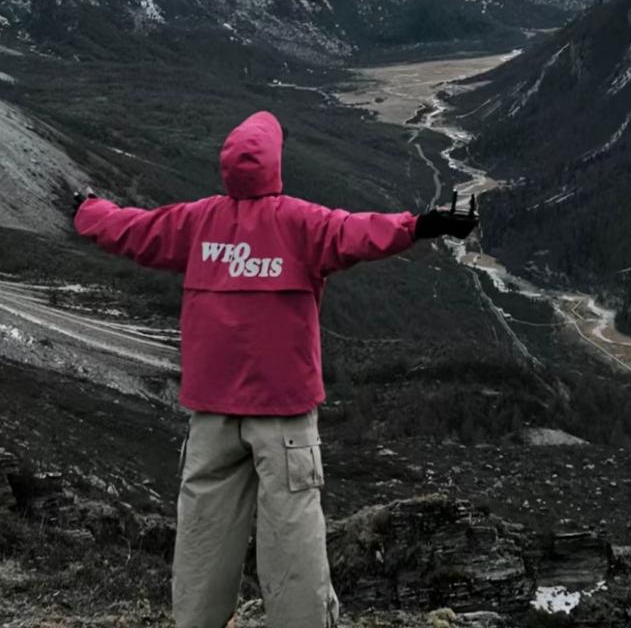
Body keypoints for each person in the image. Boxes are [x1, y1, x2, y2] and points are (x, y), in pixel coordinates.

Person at [72, 110, 475, 628]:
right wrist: (420, 226)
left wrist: (90, 211)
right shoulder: (300, 223)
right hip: (283, 411)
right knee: (292, 536)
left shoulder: (197, 222)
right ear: (275, 164)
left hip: (212, 410)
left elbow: (133, 229)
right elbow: (356, 232)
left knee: (203, 533)